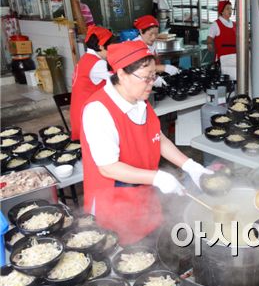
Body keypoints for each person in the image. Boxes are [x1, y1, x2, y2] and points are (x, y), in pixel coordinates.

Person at [80, 40, 212, 245]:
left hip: (143, 194)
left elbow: (158, 139)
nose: (151, 83)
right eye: (145, 78)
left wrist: (190, 166)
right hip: (114, 202)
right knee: (126, 258)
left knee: (151, 248)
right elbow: (108, 168)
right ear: (122, 74)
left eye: (154, 76)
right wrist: (158, 177)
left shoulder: (139, 100)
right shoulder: (98, 111)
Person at [70, 25, 115, 141]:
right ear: (100, 46)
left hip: (80, 110)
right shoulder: (97, 64)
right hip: (88, 114)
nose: (112, 50)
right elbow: (119, 79)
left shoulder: (86, 58)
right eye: (110, 46)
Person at [132, 15, 180, 83]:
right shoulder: (135, 46)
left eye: (156, 34)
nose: (154, 37)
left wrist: (158, 73)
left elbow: (155, 62)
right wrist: (164, 68)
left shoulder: (152, 44)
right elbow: (139, 68)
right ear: (140, 31)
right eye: (150, 34)